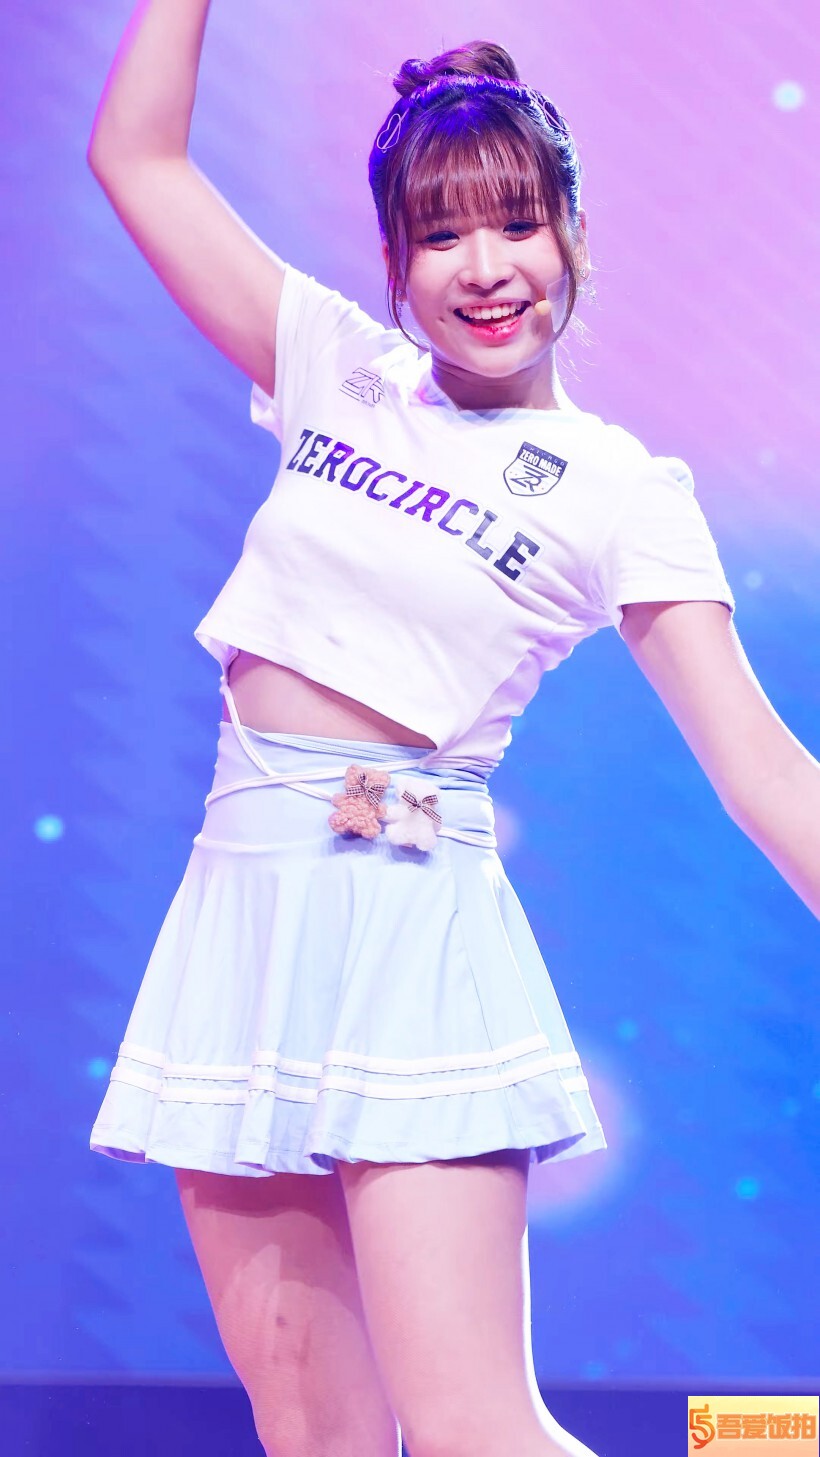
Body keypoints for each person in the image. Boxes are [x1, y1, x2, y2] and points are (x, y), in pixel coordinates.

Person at [86, 5, 820, 1456]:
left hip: (412, 925)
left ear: (573, 236)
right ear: (396, 260)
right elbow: (138, 157)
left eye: (517, 225)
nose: (484, 268)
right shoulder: (332, 363)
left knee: (477, 1428)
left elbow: (763, 772)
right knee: (313, 1425)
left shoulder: (620, 488)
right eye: (441, 235)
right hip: (242, 920)